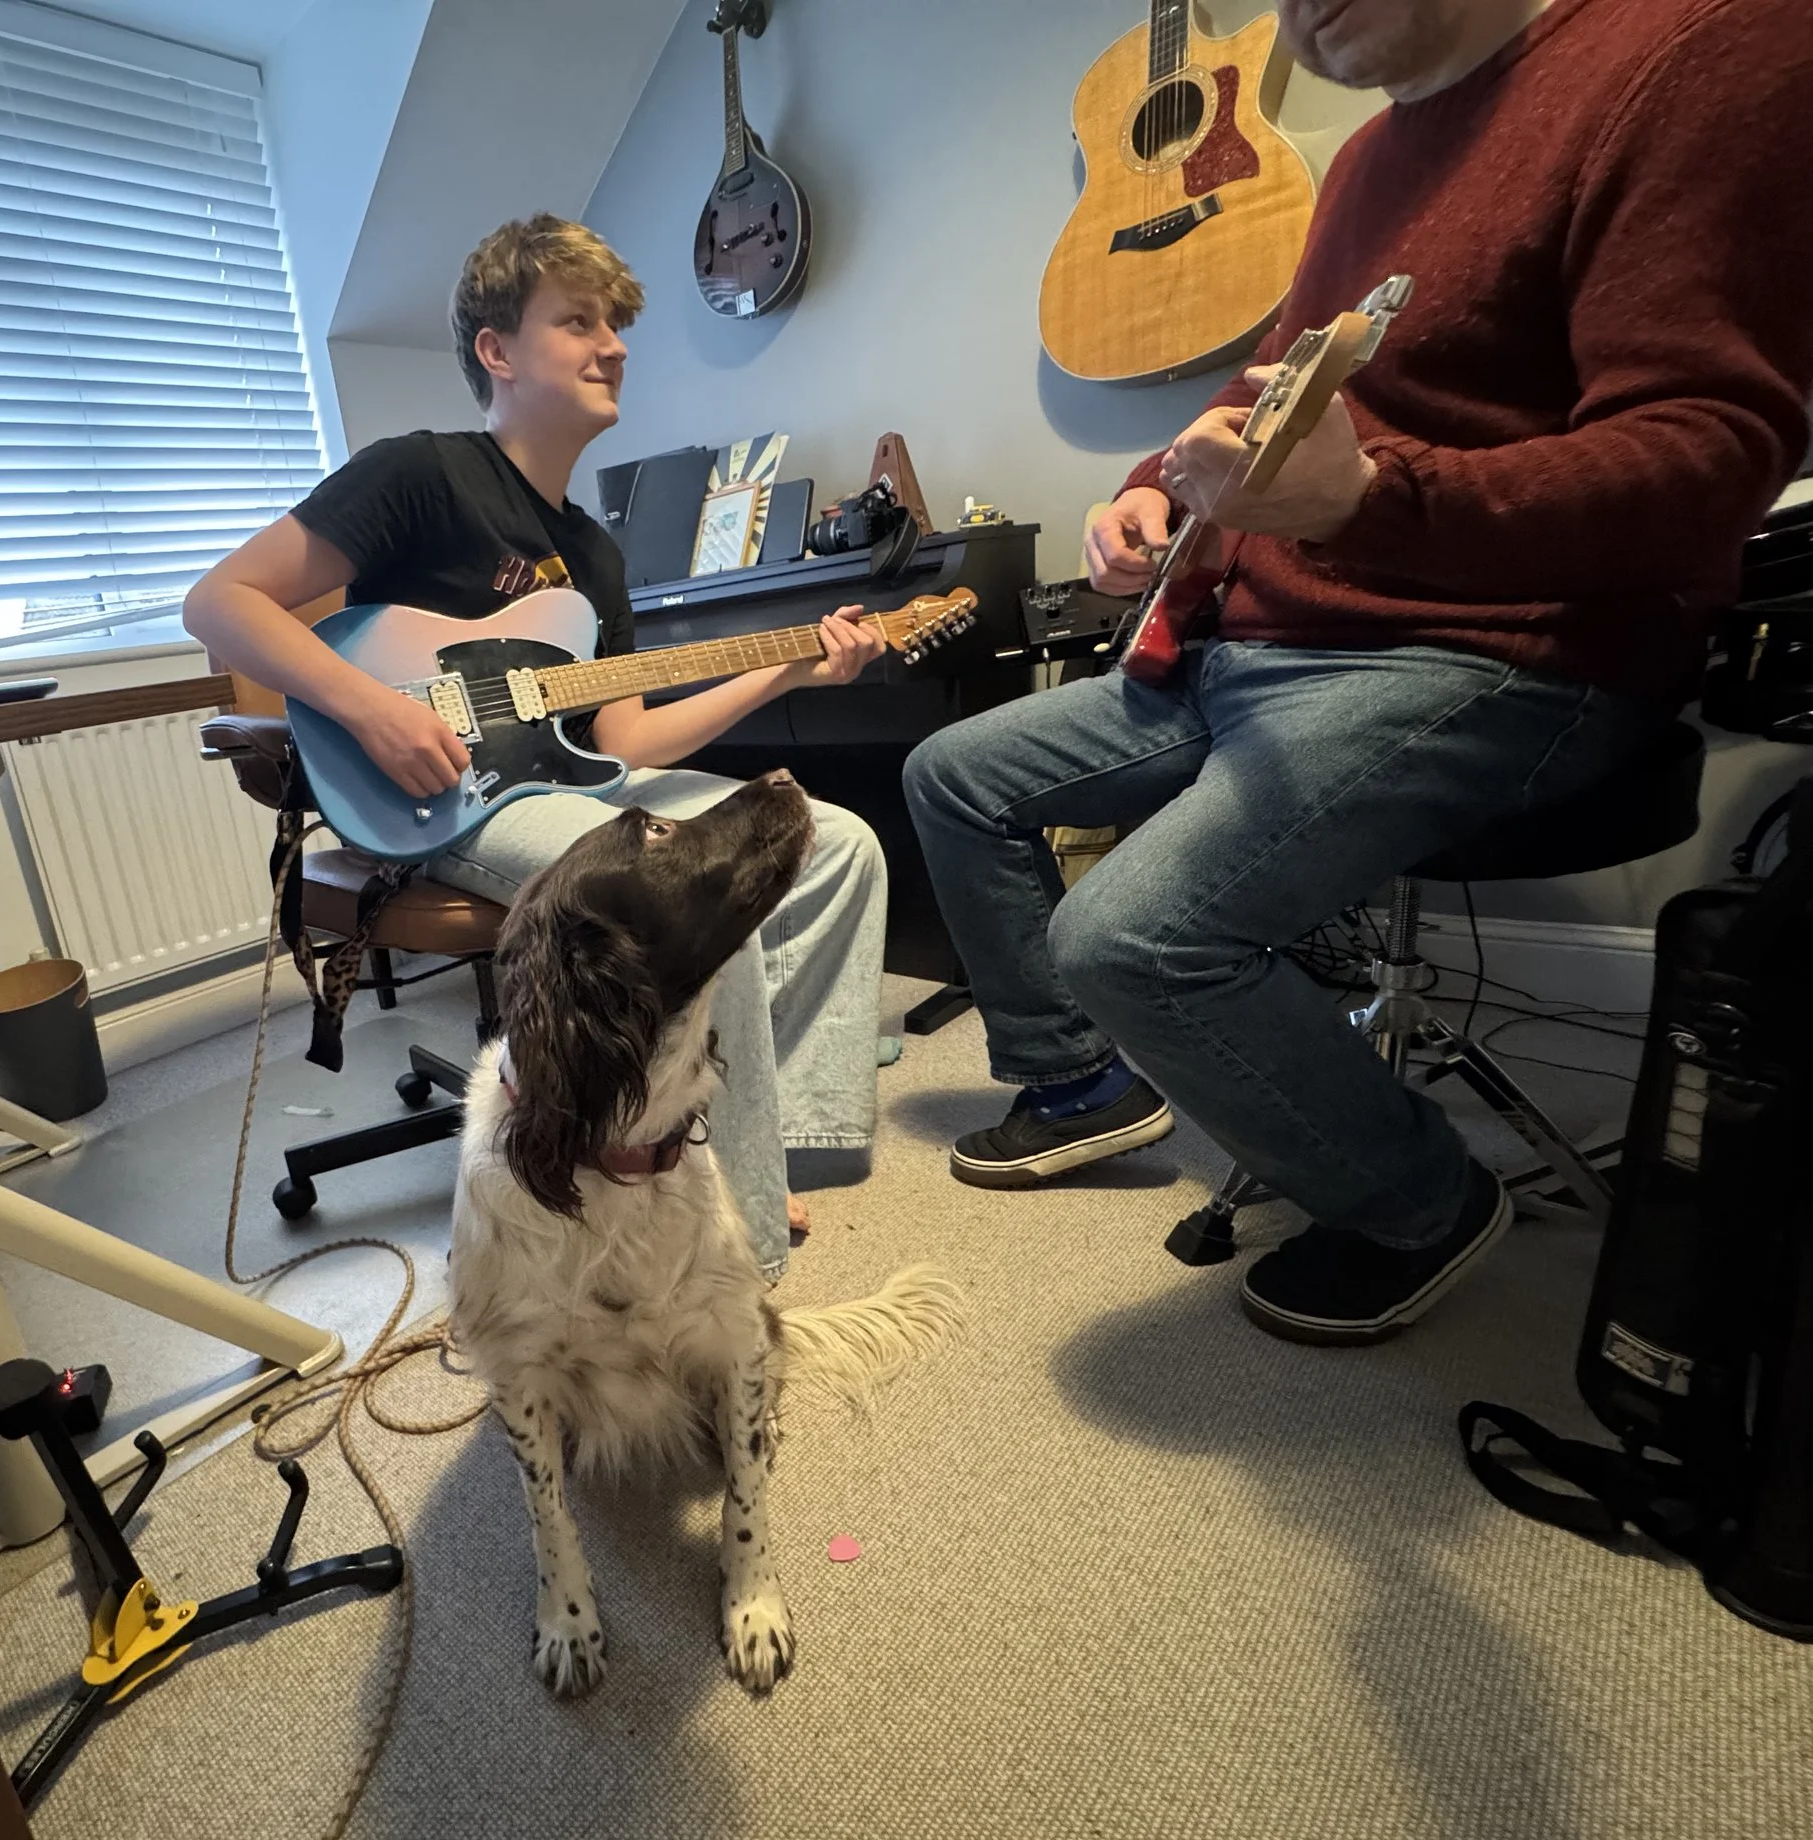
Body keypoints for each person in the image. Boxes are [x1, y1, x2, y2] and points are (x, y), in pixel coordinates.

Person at [905, 0, 1813, 1343]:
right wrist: (1156, 489)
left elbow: (1706, 464)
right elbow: (1276, 389)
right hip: (1253, 647)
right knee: (953, 773)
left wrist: (1373, 499)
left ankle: (1417, 1199)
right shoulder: (1372, 163)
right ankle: (1080, 1085)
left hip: (1495, 655)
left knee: (1130, 930)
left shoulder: (1703, 50)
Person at [185, 214, 890, 1278]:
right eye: (577, 320)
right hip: (448, 798)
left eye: (616, 324)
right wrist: (372, 708)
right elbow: (218, 601)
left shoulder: (592, 556)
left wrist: (788, 668)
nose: (612, 344)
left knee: (832, 842)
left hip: (560, 787)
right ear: (497, 351)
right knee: (697, 885)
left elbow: (627, 739)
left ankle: (770, 1139)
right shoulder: (421, 476)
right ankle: (738, 1260)